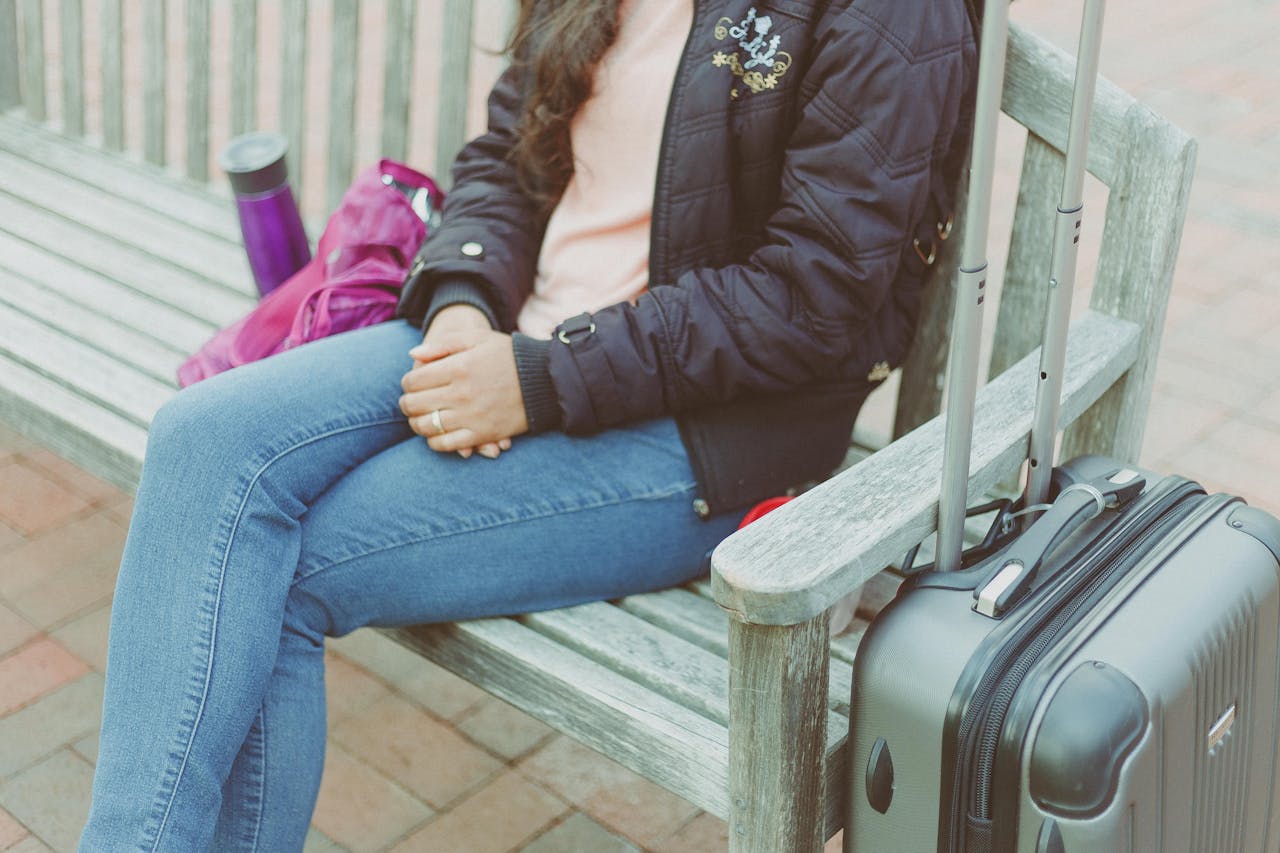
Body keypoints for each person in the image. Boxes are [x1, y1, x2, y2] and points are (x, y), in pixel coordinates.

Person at [80, 0, 976, 847]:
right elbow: (510, 153)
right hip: (504, 338)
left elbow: (809, 302)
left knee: (276, 562)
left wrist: (544, 379)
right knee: (203, 439)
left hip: (701, 430)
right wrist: (463, 302)